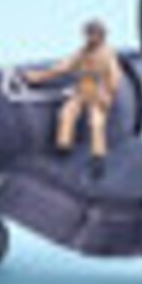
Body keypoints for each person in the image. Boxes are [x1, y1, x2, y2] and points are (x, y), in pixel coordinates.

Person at [24, 19, 121, 177]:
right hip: (82, 88)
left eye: (93, 34)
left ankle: (98, 158)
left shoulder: (107, 55)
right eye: (88, 33)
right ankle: (63, 147)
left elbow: (114, 77)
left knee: (96, 124)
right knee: (66, 113)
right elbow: (64, 66)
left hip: (98, 91)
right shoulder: (82, 52)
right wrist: (39, 76)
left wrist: (108, 95)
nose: (90, 37)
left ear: (101, 36)